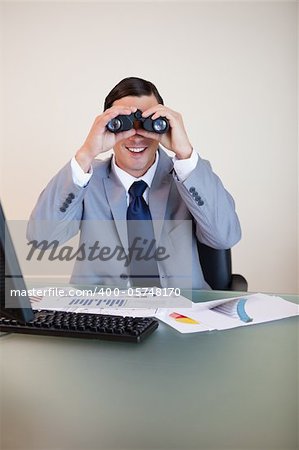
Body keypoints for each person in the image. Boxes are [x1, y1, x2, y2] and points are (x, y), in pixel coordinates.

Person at [27, 77, 241, 289]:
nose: (136, 136)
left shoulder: (189, 178)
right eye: (123, 123)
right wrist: (85, 154)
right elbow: (42, 239)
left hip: (181, 313)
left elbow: (225, 236)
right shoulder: (85, 181)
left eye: (148, 122)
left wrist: (185, 153)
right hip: (103, 315)